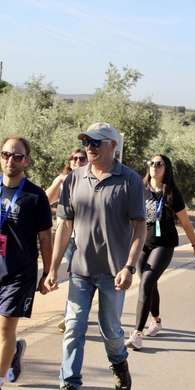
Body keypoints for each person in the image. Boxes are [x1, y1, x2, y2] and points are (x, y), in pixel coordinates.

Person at [45, 123, 147, 390]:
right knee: (74, 326)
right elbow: (65, 226)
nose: (89, 147)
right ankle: (69, 381)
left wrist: (129, 267)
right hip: (80, 268)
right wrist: (53, 268)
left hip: (114, 272)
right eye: (86, 142)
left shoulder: (130, 179)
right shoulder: (74, 178)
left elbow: (139, 226)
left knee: (110, 331)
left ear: (113, 145)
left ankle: (119, 362)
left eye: (96, 142)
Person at [125, 154, 195, 350]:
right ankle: (157, 320)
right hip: (142, 244)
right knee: (150, 284)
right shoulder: (140, 189)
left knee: (146, 282)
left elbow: (186, 223)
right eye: (151, 163)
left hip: (165, 244)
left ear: (166, 169)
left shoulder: (172, 194)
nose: (154, 166)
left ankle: (136, 333)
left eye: (159, 164)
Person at [0, 136, 53, 390]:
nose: (11, 160)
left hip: (20, 273)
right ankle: (15, 351)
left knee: (4, 327)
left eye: (17, 156)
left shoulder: (35, 196)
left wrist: (47, 273)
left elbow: (45, 238)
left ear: (26, 161)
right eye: (6, 154)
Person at [45, 148, 88, 333]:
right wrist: (59, 180)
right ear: (69, 162)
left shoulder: (88, 181)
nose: (77, 161)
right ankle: (71, 315)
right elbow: (45, 200)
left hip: (84, 237)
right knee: (74, 274)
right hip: (66, 237)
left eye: (82, 159)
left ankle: (71, 315)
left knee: (76, 275)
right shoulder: (63, 182)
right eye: (74, 158)